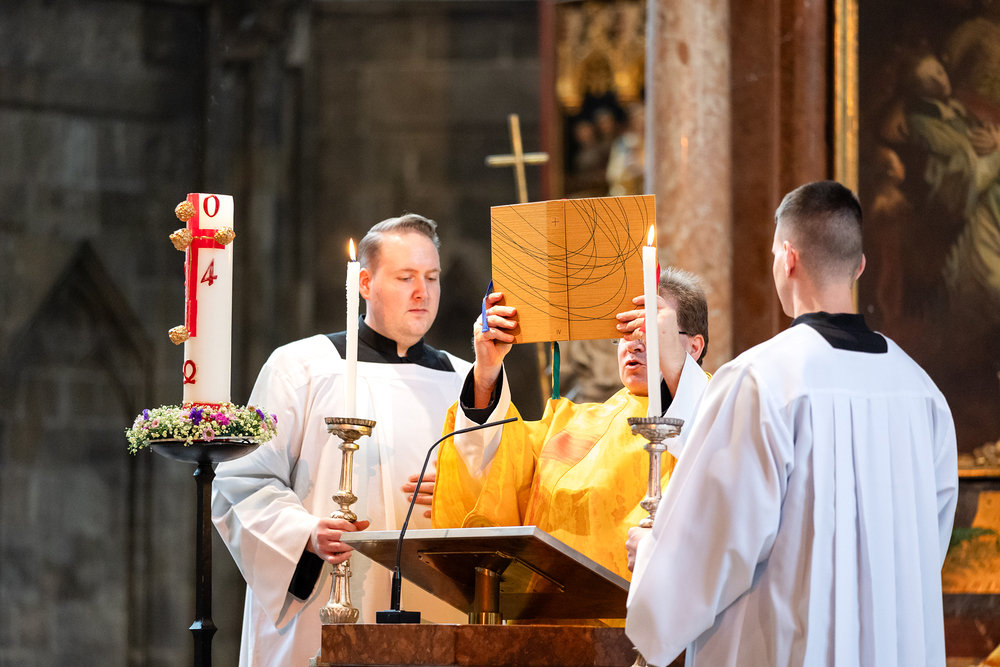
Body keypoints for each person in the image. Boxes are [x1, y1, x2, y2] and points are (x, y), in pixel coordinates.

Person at [625, 181, 959, 666]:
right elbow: (927, 544)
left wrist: (651, 560)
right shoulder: (923, 394)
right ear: (859, 266)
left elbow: (709, 548)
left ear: (787, 258)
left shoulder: (761, 379)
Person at [212, 214, 471, 667]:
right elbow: (242, 482)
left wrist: (466, 491)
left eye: (431, 278)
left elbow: (503, 492)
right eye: (406, 277)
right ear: (365, 283)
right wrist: (305, 535)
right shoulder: (300, 367)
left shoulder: (466, 383)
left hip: (434, 606)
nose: (422, 292)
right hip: (321, 599)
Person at [432, 268, 711, 579]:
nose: (634, 343)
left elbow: (720, 472)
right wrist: (486, 372)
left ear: (694, 347)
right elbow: (499, 476)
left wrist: (676, 371)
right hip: (550, 604)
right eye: (625, 331)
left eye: (651, 331)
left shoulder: (715, 413)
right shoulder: (569, 423)